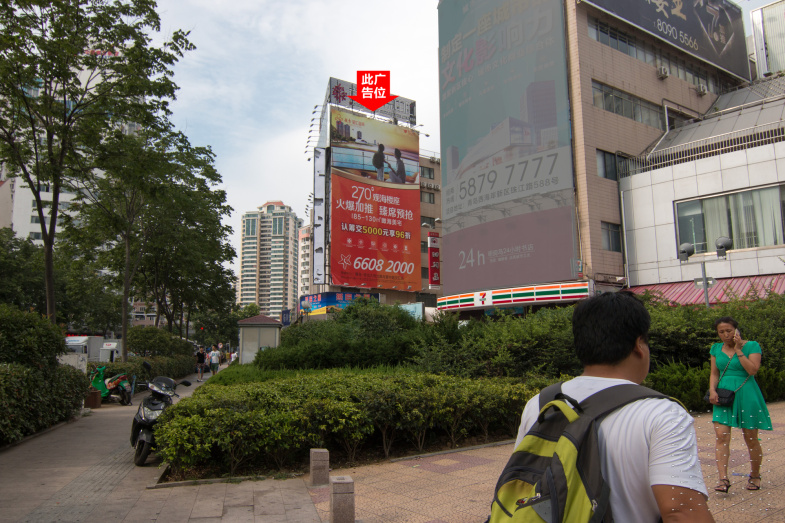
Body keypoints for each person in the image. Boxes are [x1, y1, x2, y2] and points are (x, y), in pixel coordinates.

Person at [514, 292, 713, 523]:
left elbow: (521, 483)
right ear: (639, 345)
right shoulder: (662, 413)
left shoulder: (541, 403)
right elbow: (682, 512)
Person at [708, 316, 772, 493]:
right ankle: (723, 479)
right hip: (724, 394)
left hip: (746, 393)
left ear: (736, 330)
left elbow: (752, 370)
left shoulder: (752, 346)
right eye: (721, 332)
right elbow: (714, 373)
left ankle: (755, 475)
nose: (725, 334)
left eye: (729, 330)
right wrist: (712, 390)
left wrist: (738, 350)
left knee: (751, 437)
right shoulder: (715, 349)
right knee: (721, 436)